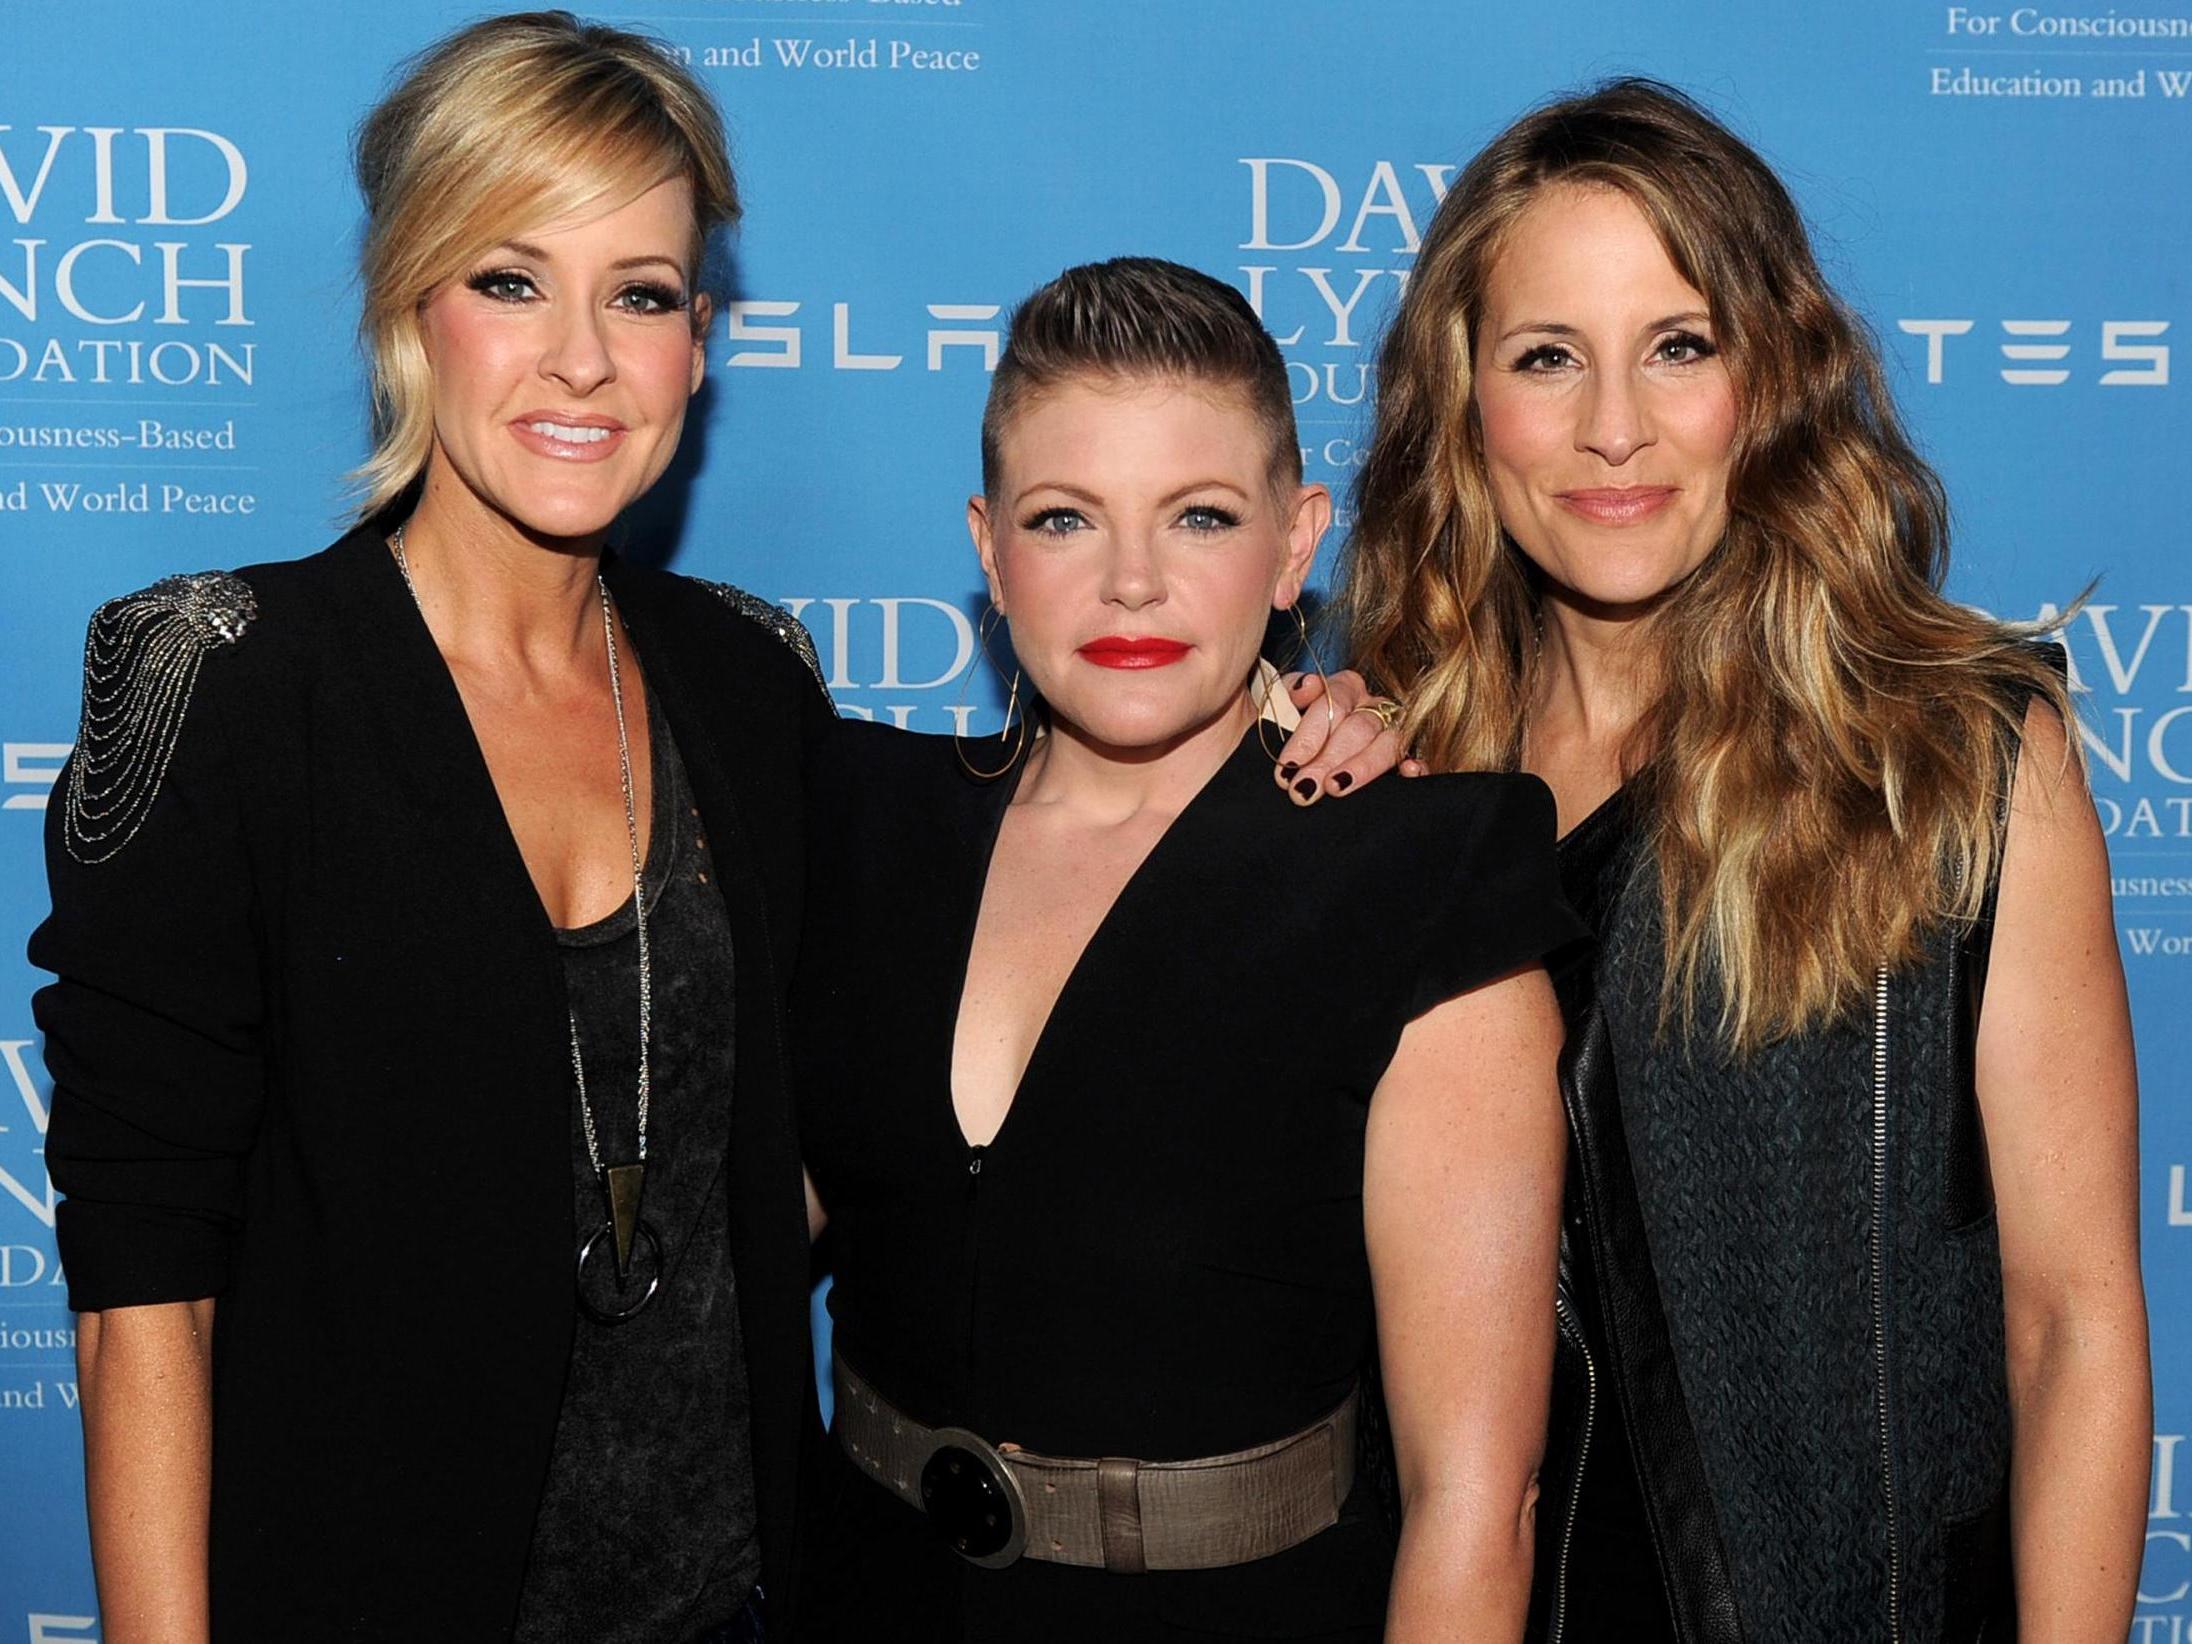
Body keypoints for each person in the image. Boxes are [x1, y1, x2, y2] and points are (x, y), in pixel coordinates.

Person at [32, 15, 833, 1638]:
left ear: (698, 341)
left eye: (646, 293)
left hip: (731, 1603)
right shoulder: (221, 682)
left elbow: (1026, 852)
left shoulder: (753, 678)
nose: (585, 360)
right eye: (512, 279)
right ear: (412, 304)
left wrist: (1282, 725)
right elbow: (144, 1307)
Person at [1336, 78, 2149, 1643]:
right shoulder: (1394, 783)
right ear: (1465, 405)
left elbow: (2073, 1329)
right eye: (1547, 358)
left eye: (1679, 348)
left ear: (1768, 379)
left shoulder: (1952, 756)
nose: (1614, 428)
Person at [791, 257, 1584, 1644]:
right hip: (852, 1594)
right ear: (988, 547)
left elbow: (1476, 1499)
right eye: (1065, 518)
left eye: (1200, 516)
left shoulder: (1421, 874)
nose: (1134, 582)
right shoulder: (858, 820)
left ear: (1296, 543)